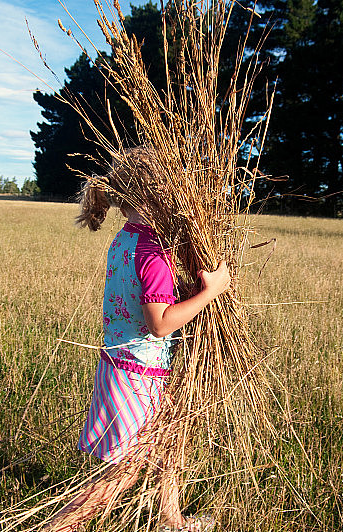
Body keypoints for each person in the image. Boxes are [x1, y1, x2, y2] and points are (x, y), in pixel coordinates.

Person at [44, 148, 229, 532]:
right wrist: (211, 291)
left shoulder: (126, 238)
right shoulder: (152, 252)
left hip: (122, 365)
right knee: (124, 471)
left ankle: (171, 519)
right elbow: (160, 324)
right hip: (138, 375)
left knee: (170, 440)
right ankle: (59, 526)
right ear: (160, 195)